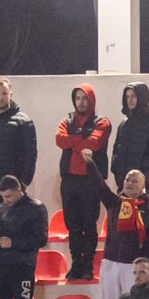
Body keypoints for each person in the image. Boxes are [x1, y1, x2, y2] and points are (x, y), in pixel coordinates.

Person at [0, 80, 38, 290]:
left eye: (4, 93)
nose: (1, 97)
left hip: (13, 188)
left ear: (10, 94)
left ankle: (12, 272)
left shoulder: (24, 121)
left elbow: (31, 155)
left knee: (13, 230)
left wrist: (23, 183)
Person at [52, 83, 110, 283]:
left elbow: (94, 144)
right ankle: (76, 262)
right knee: (73, 225)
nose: (81, 102)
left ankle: (88, 264)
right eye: (77, 98)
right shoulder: (66, 121)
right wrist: (81, 140)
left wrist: (72, 140)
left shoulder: (102, 122)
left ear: (91, 99)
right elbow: (59, 140)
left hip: (90, 180)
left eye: (85, 98)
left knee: (89, 224)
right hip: (69, 180)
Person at [93, 168, 149, 299]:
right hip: (110, 262)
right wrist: (90, 164)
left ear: (142, 187)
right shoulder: (114, 202)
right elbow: (99, 186)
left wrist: (142, 247)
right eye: (127, 180)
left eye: (134, 181)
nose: (129, 183)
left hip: (133, 266)